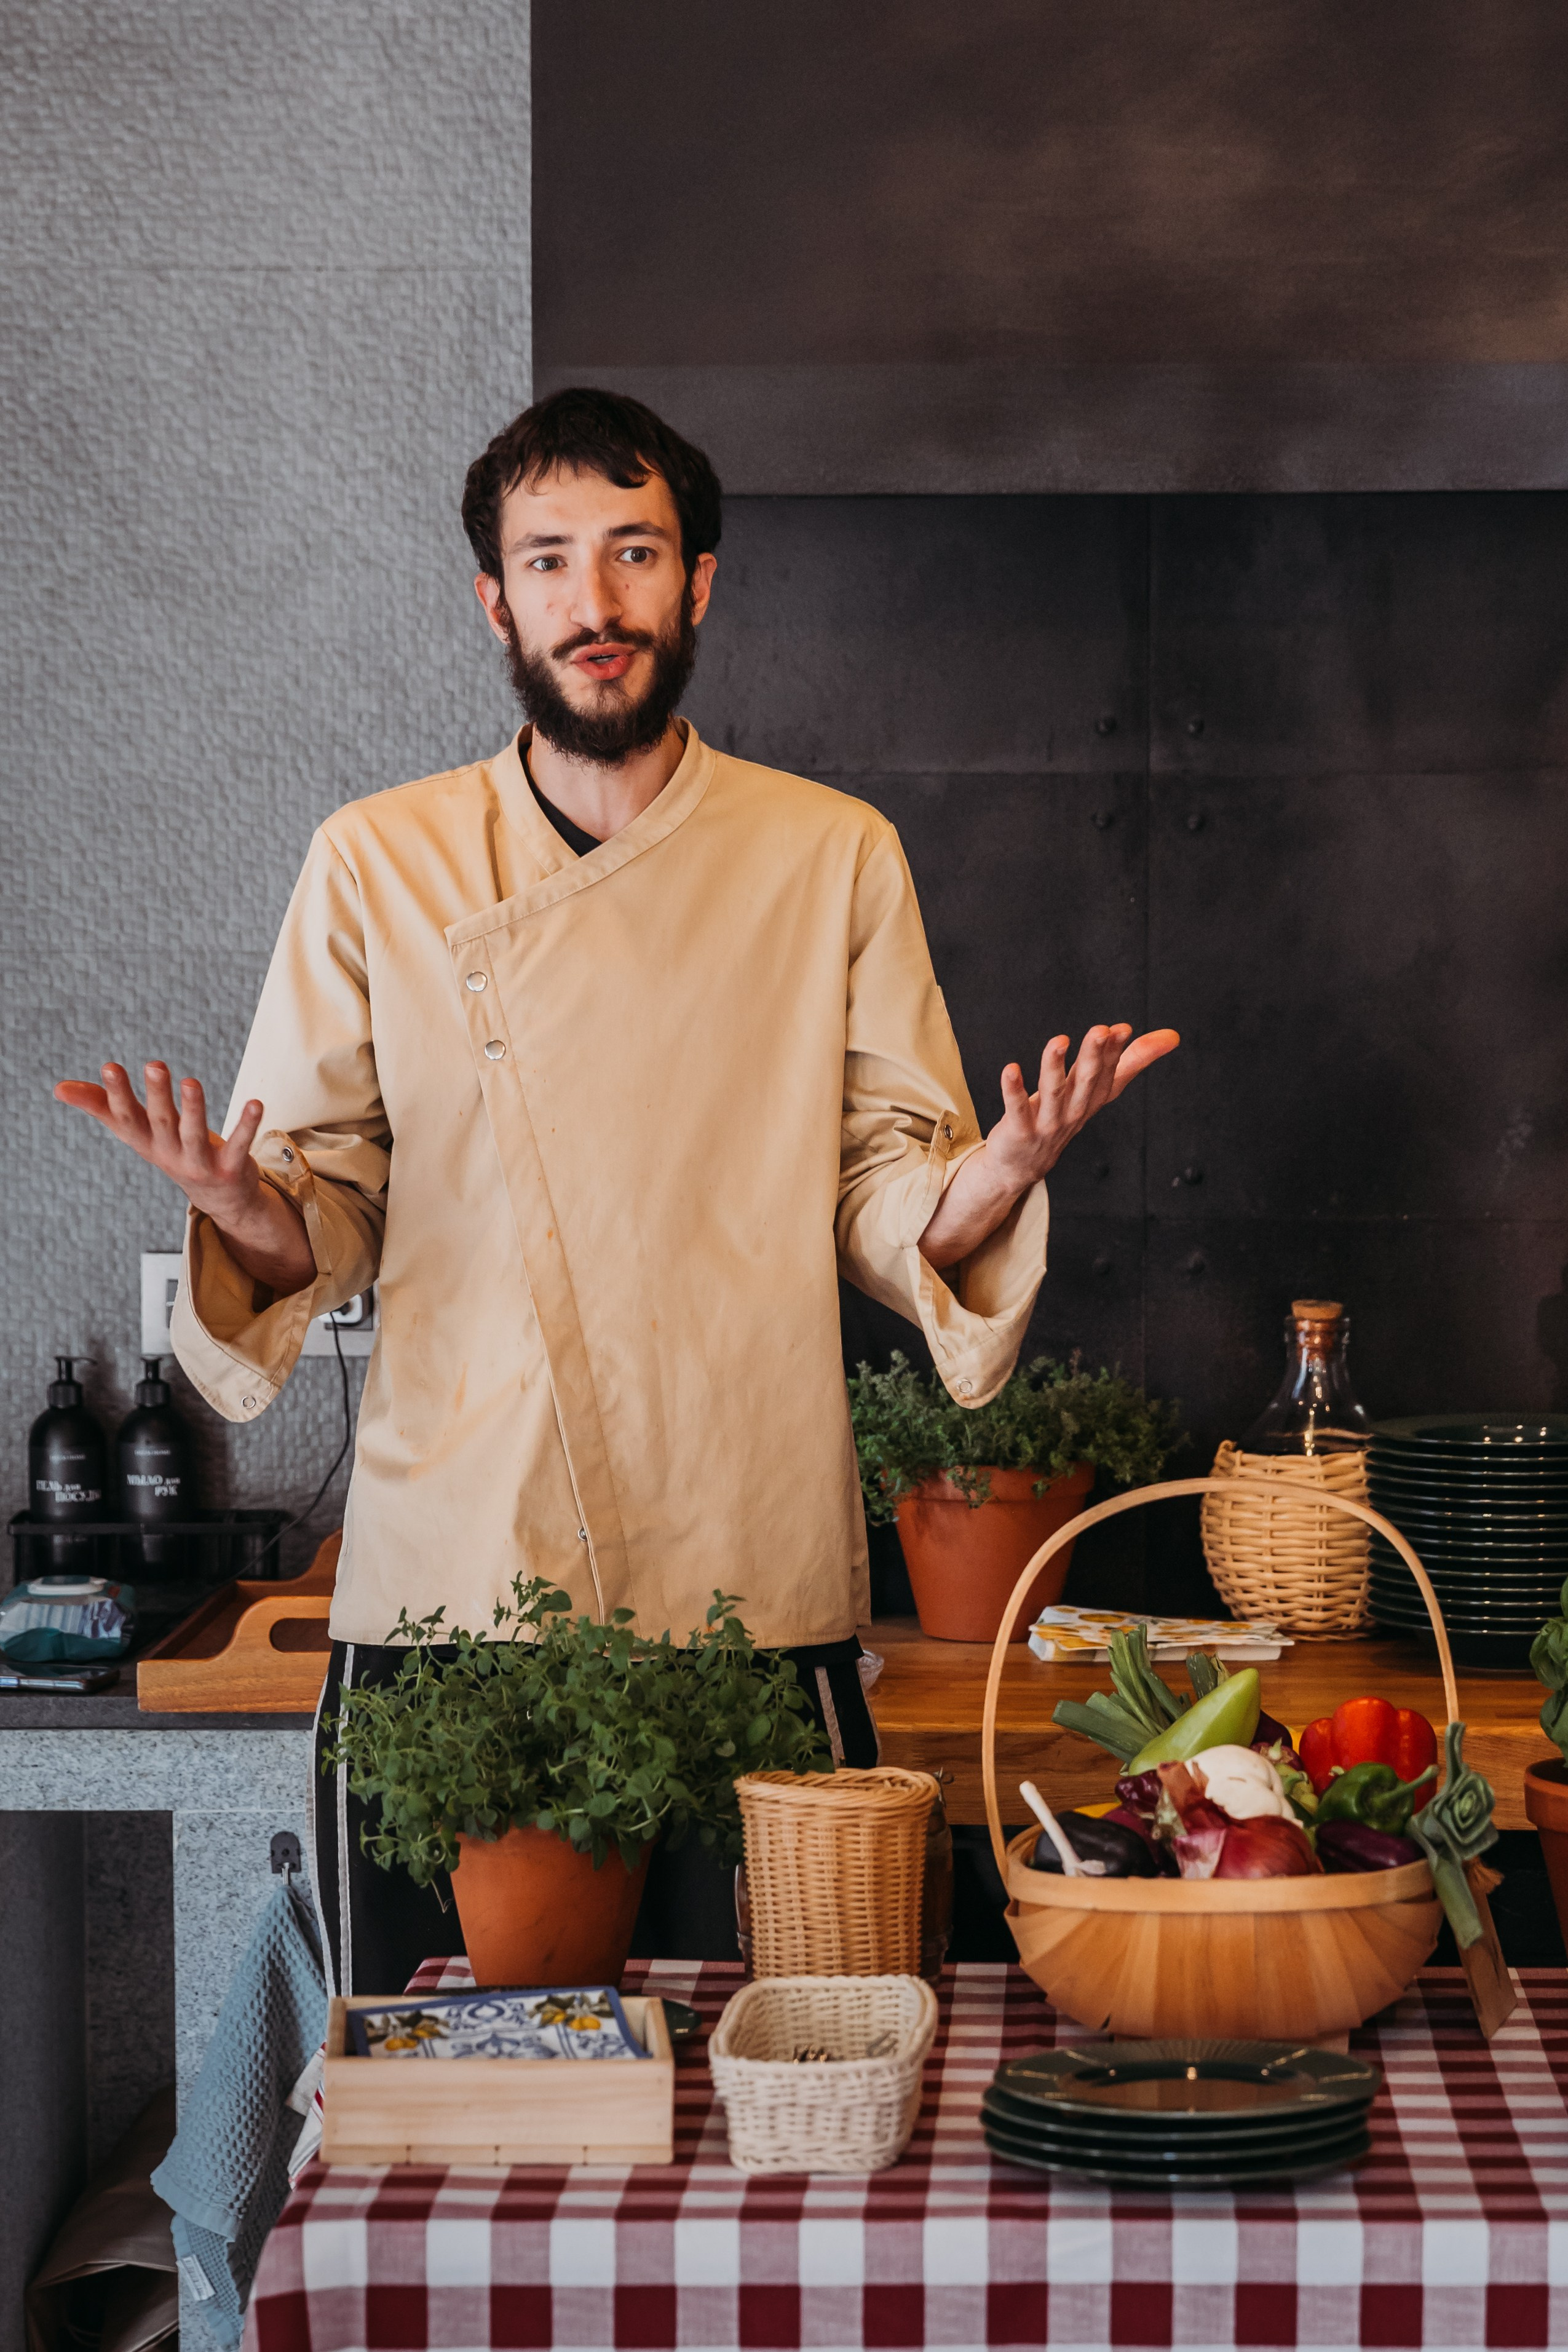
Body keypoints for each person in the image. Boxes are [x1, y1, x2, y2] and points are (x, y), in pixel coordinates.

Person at [56, 389, 1178, 1987]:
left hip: (749, 1569)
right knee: (439, 2126)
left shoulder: (829, 856)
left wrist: (989, 1174)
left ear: (698, 582)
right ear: (495, 601)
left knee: (785, 2094)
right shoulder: (381, 858)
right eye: (553, 560)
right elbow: (329, 1205)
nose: (596, 601)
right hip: (460, 1588)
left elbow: (880, 1197)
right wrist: (242, 1204)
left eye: (634, 552)